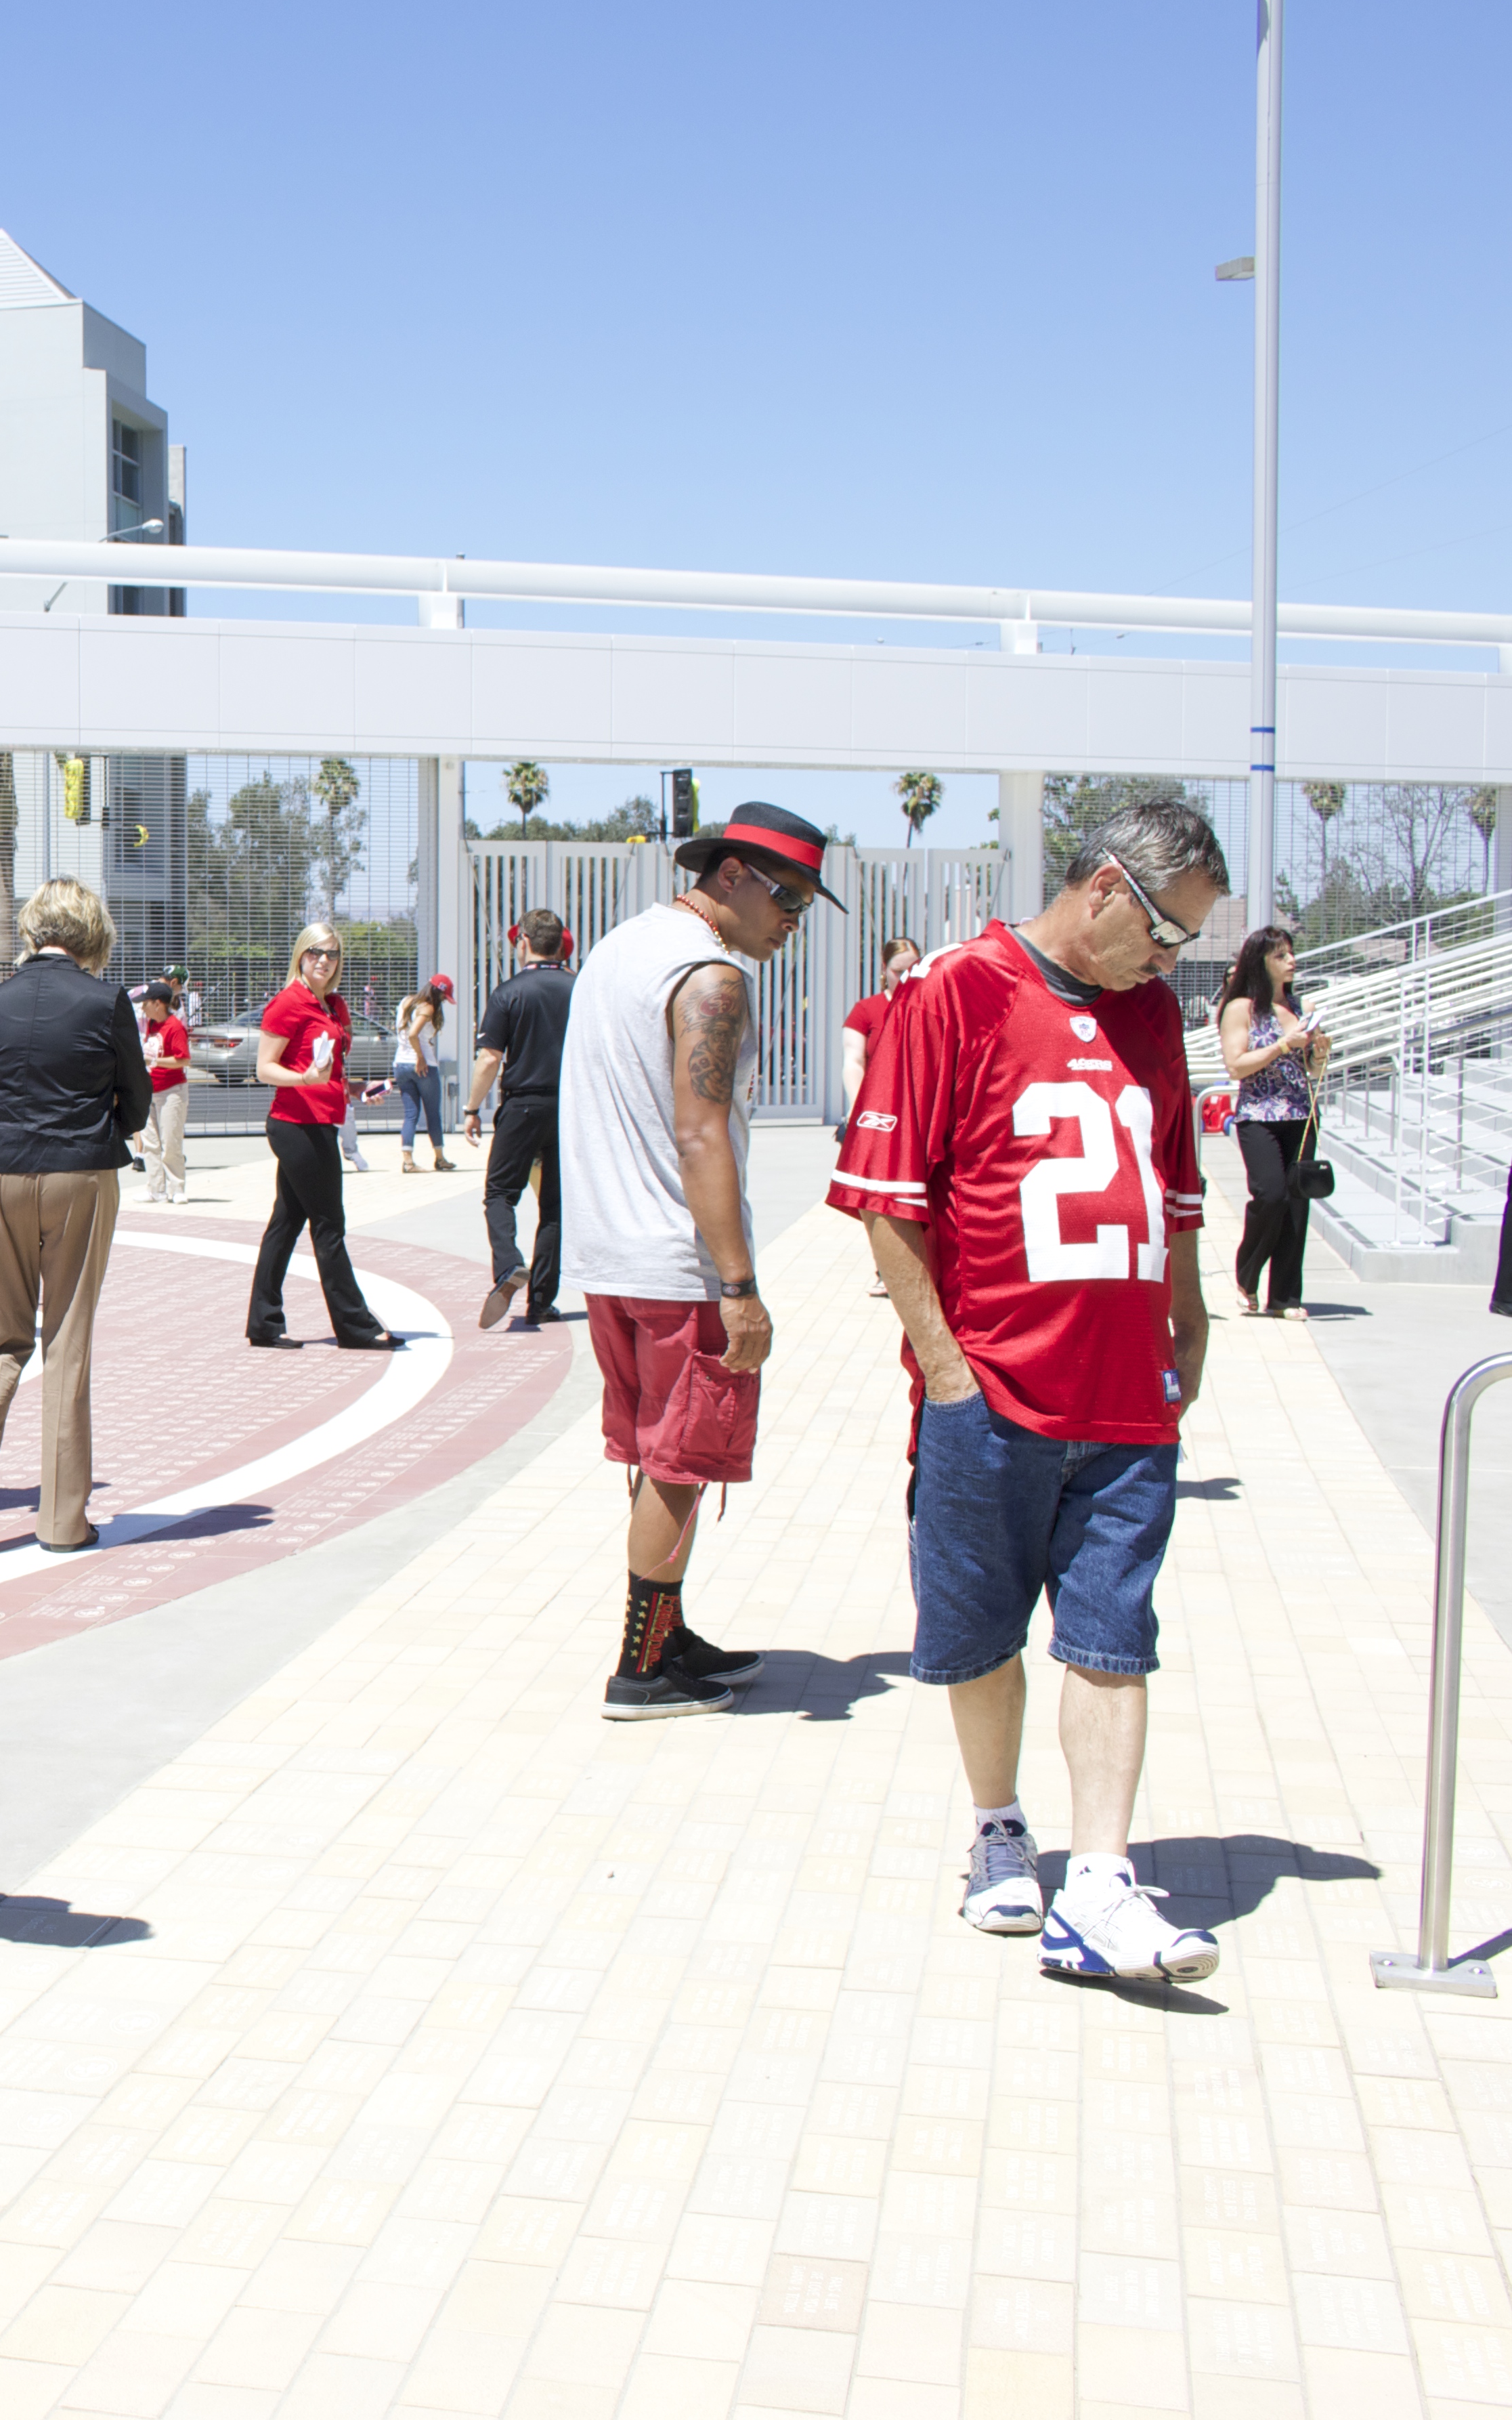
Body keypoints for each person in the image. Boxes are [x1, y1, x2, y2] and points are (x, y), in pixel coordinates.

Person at [831, 799, 1227, 1984]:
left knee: (1115, 1632)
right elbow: (887, 1201)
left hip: (1124, 1392)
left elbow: (1170, 1170)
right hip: (992, 1386)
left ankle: (1100, 1878)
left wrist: (1189, 1305)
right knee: (977, 1629)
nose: (1170, 963)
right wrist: (948, 1374)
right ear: (1104, 888)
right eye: (1164, 933)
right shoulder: (954, 991)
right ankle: (998, 1827)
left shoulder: (1151, 1013)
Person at [563, 802, 818, 1720]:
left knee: (655, 1454)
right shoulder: (710, 977)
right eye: (787, 898)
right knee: (680, 1462)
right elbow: (700, 1131)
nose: (794, 919)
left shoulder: (621, 947)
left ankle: (666, 1633)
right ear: (733, 875)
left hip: (613, 1256)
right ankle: (642, 1667)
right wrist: (741, 1286)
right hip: (677, 1262)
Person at [0, 878, 150, 1554]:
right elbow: (138, 1101)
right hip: (78, 1170)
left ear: (36, 930)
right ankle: (63, 1520)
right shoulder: (106, 1000)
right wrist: (103, 1129)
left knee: (1, 1336)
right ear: (93, 933)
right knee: (65, 1337)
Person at [246, 924, 399, 1351]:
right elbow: (265, 1069)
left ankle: (263, 1323)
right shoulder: (288, 1003)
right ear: (301, 955)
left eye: (332, 954)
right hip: (296, 1125)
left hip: (320, 1121)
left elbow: (330, 1073)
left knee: (286, 1223)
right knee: (329, 1225)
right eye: (316, 952)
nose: (324, 961)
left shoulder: (333, 1006)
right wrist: (305, 1078)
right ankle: (356, 1328)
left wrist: (357, 1090)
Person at [467, 912, 577, 1332]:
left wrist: (472, 1110)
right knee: (554, 1207)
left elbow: (490, 1058)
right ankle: (542, 1303)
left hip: (523, 1106)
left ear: (526, 942)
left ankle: (509, 1265)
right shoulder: (580, 988)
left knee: (499, 1193)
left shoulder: (509, 992)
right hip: (567, 1110)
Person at [1215, 926, 1324, 1319]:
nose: (1291, 961)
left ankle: (1285, 1298)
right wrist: (1282, 1045)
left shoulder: (1298, 1008)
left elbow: (1311, 1070)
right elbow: (1236, 1065)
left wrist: (1317, 1052)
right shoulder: (1241, 1008)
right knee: (1271, 1195)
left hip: (1302, 1115)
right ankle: (1248, 1271)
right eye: (1281, 955)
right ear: (1261, 962)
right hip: (1259, 1115)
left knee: (1297, 1206)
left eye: (1291, 953)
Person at [838, 935, 922, 1128]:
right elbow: (853, 1061)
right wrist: (857, 1105)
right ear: (884, 968)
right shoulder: (866, 1010)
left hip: (920, 1110)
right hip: (879, 1112)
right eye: (898, 971)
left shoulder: (932, 1010)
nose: (905, 978)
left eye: (911, 971)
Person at [390, 976, 457, 1173]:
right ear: (439, 992)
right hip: (423, 1066)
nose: (444, 1001)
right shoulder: (427, 1007)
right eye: (445, 997)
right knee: (433, 1114)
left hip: (401, 1064)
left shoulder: (406, 1001)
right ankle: (440, 1159)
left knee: (411, 1114)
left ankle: (408, 1162)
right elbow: (413, 1034)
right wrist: (420, 1057)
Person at [133, 982, 192, 1204]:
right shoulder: (153, 1025)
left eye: (146, 1004)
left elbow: (184, 1059)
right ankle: (155, 1189)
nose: (143, 1009)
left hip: (172, 1092)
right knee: (151, 1143)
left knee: (171, 1142)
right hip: (151, 1089)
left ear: (158, 1003)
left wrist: (155, 1061)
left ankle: (177, 1188)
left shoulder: (174, 1026)